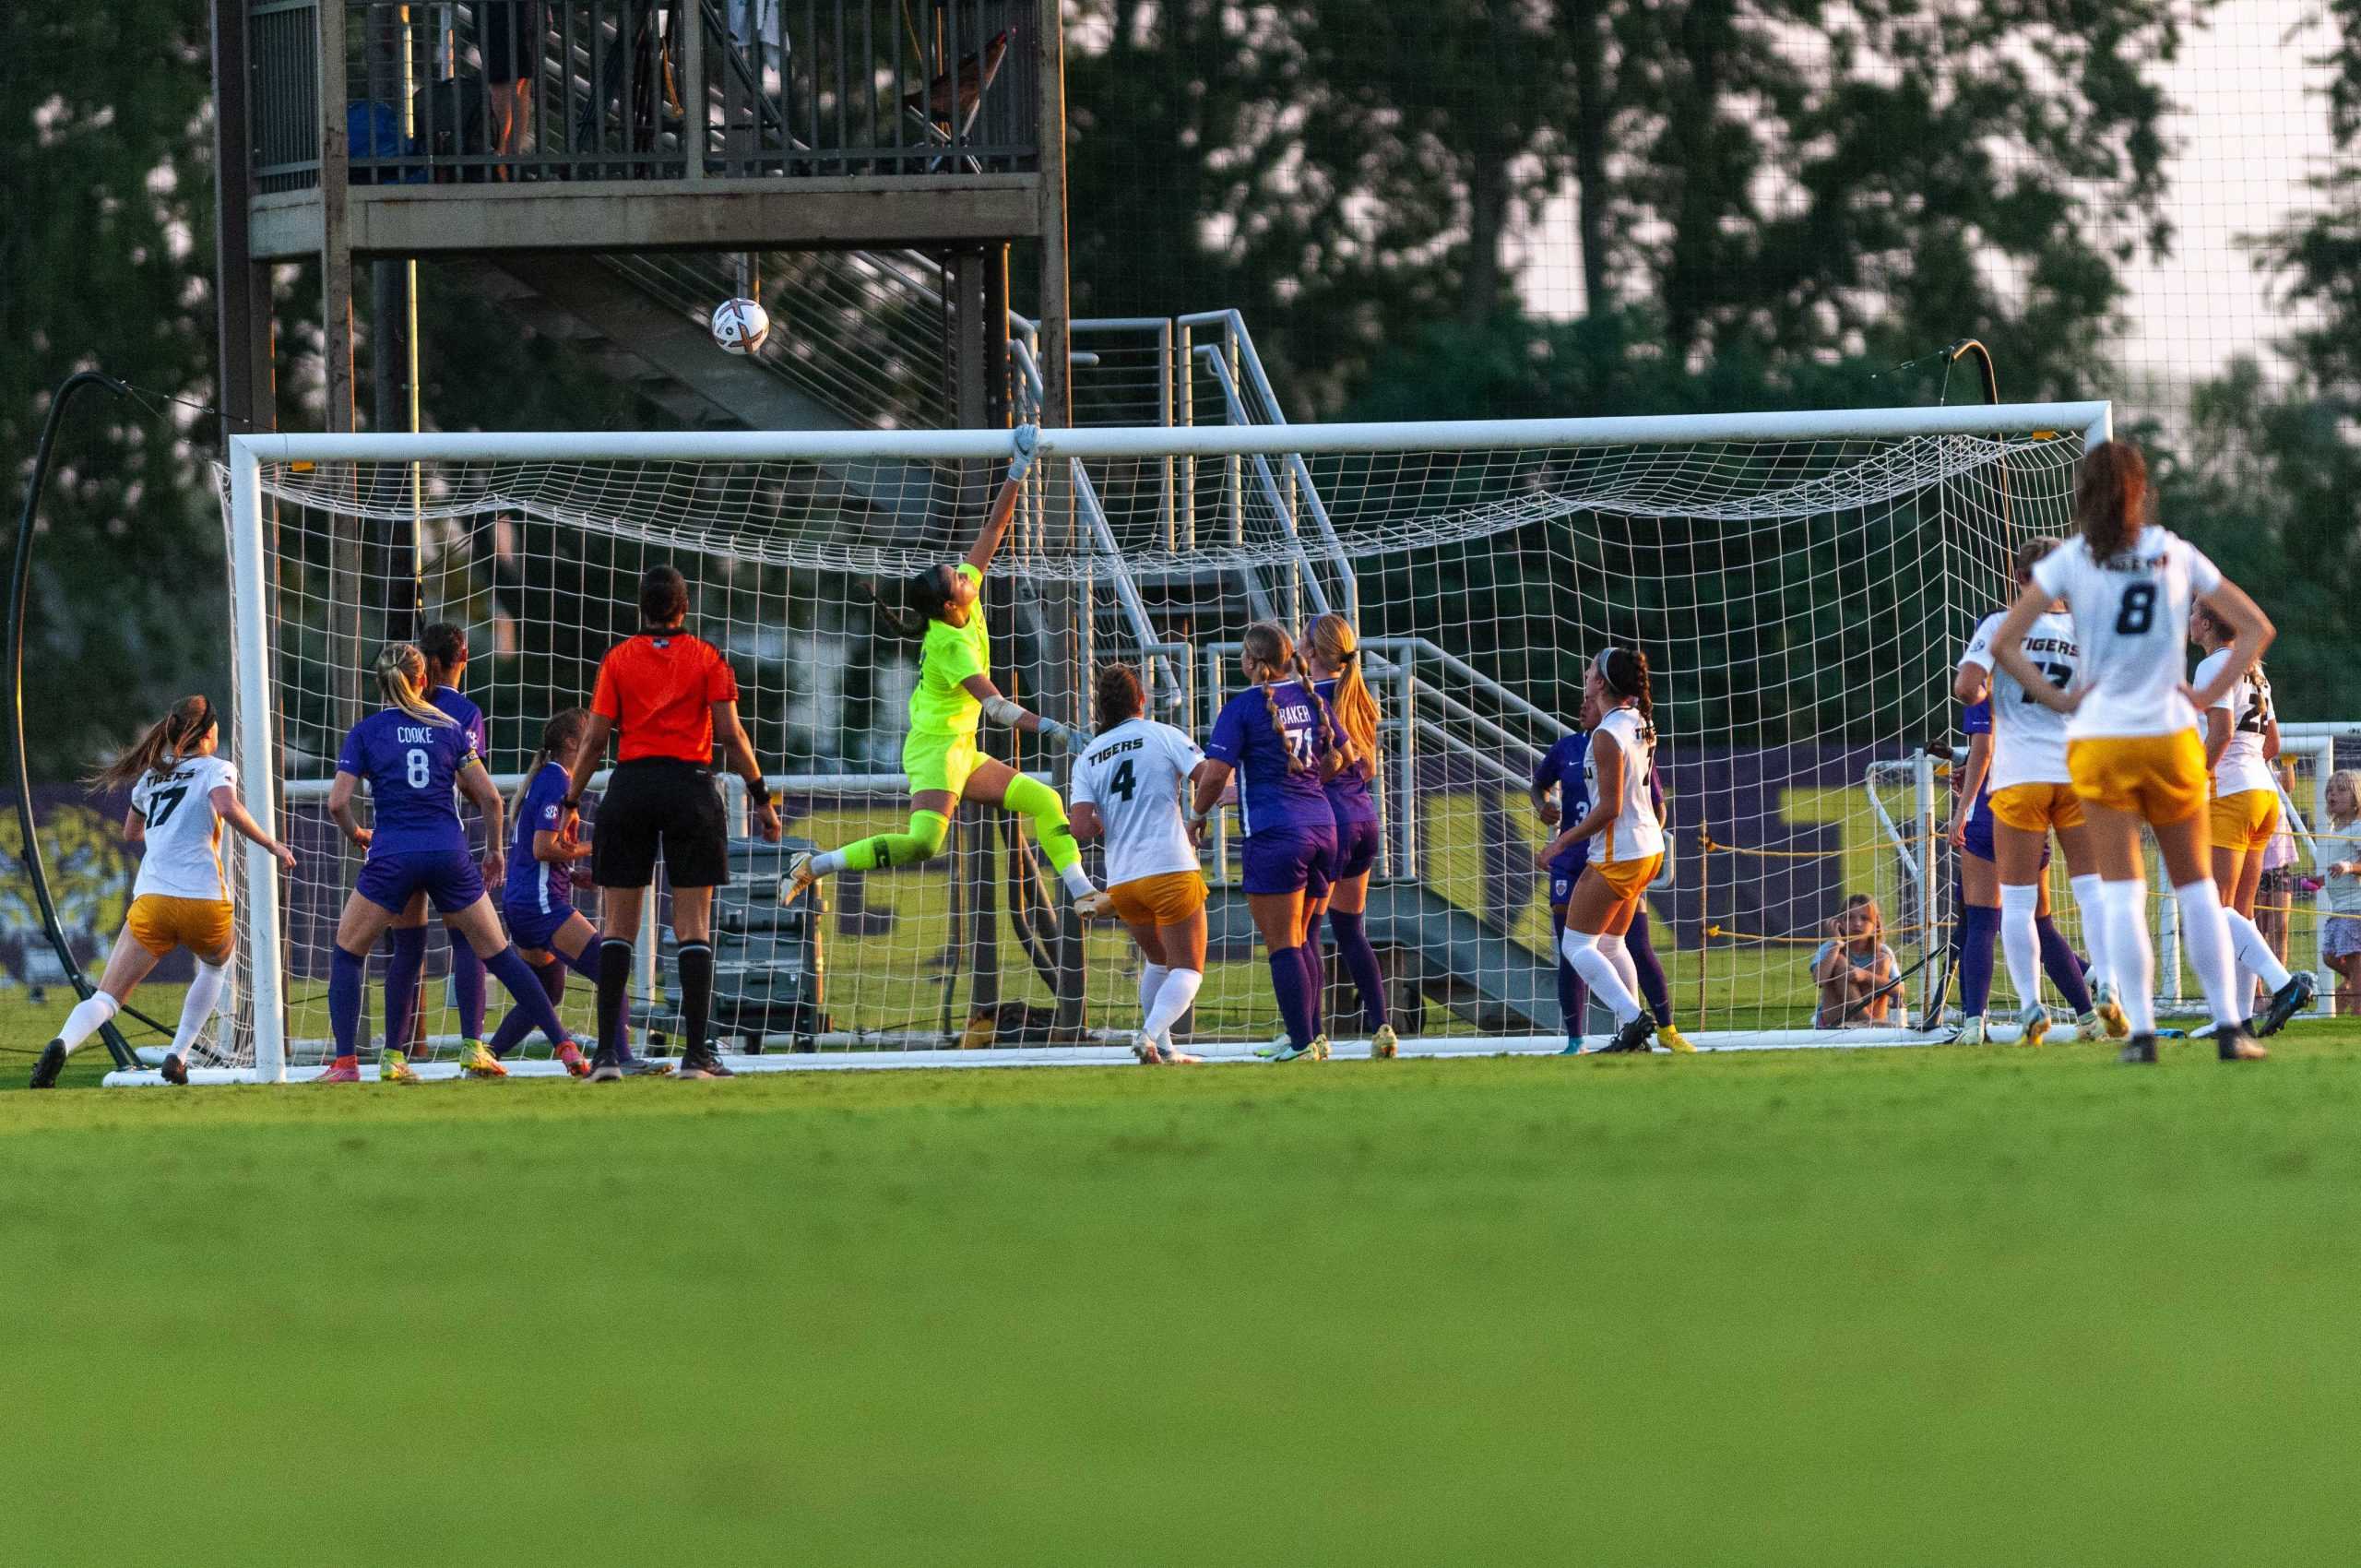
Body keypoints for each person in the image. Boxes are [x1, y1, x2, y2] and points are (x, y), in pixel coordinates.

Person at [1991, 439, 2275, 1063]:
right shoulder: (2174, 552)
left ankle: (2141, 1033)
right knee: (2199, 888)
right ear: (2140, 492)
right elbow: (2256, 628)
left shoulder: (2068, 561)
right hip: (2169, 736)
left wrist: (2056, 698)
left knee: (2121, 892)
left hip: (2101, 739)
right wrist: (2206, 700)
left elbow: (2007, 642)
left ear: (2082, 496)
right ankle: (2230, 1026)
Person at [786, 427, 1097, 911]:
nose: (967, 573)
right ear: (952, 604)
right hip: (935, 750)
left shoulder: (961, 600)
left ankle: (1083, 894)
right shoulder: (950, 644)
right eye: (959, 578)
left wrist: (1018, 469)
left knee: (1045, 801)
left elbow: (994, 528)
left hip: (961, 749)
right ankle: (814, 865)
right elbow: (994, 705)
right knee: (924, 844)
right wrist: (1054, 728)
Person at [323, 643, 582, 1082]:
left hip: (393, 855)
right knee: (498, 954)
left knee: (351, 953)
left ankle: (352, 1062)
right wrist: (495, 851)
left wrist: (357, 835)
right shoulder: (449, 728)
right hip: (447, 853)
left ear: (380, 683)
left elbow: (337, 803)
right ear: (424, 680)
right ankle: (564, 1046)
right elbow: (489, 799)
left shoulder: (365, 733)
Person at [564, 566, 783, 1081]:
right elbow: (731, 735)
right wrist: (761, 798)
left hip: (632, 787)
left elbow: (595, 740)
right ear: (684, 608)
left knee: (618, 925)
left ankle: (608, 1058)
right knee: (693, 926)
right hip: (690, 789)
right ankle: (697, 1057)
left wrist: (570, 800)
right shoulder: (708, 657)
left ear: (643, 607)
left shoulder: (617, 659)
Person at [30, 696, 298, 1088]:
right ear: (208, 733)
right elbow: (225, 806)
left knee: (107, 998)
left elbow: (130, 834)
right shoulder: (216, 768)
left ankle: (61, 1043)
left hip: (153, 900)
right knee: (216, 966)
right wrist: (270, 844)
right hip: (204, 900)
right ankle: (180, 1054)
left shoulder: (150, 779)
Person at [1954, 538, 2104, 1046]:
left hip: (2017, 779)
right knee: (2089, 892)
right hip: (2077, 774)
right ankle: (2104, 988)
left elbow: (1968, 688)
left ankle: (2028, 1007)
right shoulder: (2087, 629)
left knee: (2005, 910)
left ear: (2016, 576)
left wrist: (1984, 694)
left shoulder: (2001, 627)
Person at [482, 708, 666, 1076]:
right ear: (571, 743)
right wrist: (594, 846)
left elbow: (544, 854)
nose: (599, 739)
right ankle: (620, 1056)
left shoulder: (549, 779)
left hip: (525, 902)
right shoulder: (556, 782)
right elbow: (542, 848)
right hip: (541, 906)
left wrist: (572, 871)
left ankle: (486, 1055)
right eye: (589, 733)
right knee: (610, 966)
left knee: (545, 993)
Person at [1192, 623, 1345, 1063]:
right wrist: (1309, 784)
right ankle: (1311, 1036)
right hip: (1324, 827)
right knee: (1303, 938)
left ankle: (1300, 1044)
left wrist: (1197, 817)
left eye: (1243, 653)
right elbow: (1345, 756)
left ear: (1255, 663)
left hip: (1277, 834)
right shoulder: (1311, 696)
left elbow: (1216, 773)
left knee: (1283, 944)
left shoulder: (1242, 707)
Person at [1537, 647, 1687, 1054]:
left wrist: (1560, 844)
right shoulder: (1638, 719)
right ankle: (1633, 1031)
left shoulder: (1606, 734)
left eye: (1588, 671)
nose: (1584, 677)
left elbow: (1610, 808)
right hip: (1648, 847)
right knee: (1610, 944)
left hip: (1618, 851)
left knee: (1576, 946)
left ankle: (1635, 1019)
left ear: (1600, 683)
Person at [1069, 665, 1209, 1065]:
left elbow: (1080, 827)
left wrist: (1107, 820)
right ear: (1142, 701)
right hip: (1170, 867)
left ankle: (1163, 1047)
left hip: (1124, 881)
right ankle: (1146, 1034)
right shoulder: (1162, 734)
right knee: (1189, 969)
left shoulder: (1089, 756)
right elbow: (1207, 776)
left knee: (1159, 962)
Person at [2189, 602, 2313, 1030]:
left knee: (2212, 908)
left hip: (2232, 794)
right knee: (2239, 912)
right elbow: (2273, 743)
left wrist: (2198, 776)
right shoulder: (2254, 669)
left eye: (2192, 615)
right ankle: (2240, 1019)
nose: (2189, 622)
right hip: (2263, 795)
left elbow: (2220, 733)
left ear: (2206, 624)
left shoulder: (2212, 667)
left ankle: (2284, 985)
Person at [380, 622, 492, 1069]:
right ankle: (472, 1046)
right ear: (458, 659)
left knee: (406, 948)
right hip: (444, 842)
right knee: (469, 942)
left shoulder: (395, 706)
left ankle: (393, 1051)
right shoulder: (462, 713)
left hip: (396, 840)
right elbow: (474, 787)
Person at [1301, 612, 1398, 1057]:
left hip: (1328, 821)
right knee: (1350, 929)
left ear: (1312, 651)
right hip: (1364, 818)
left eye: (1303, 639)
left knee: (1305, 931)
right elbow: (1371, 766)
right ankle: (1381, 1028)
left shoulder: (1305, 700)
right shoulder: (1358, 696)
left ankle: (1311, 1035)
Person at [2313, 770, 2361, 1016]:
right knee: (2330, 956)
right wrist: (2321, 880)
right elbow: (2338, 870)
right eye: (2330, 789)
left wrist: (2350, 867)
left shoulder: (2358, 827)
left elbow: (2354, 865)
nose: (2333, 793)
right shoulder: (2334, 831)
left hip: (2356, 907)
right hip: (2339, 907)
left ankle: (2358, 1012)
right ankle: (2355, 981)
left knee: (2354, 960)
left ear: (2356, 799)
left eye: (2341, 790)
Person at [1811, 894, 1899, 1028]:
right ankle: (1865, 1019)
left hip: (1875, 1016)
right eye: (1849, 918)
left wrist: (1866, 976)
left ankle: (1865, 1020)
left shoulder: (1884, 951)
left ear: (1876, 924)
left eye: (1864, 918)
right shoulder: (1830, 947)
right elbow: (1819, 979)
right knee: (1839, 961)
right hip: (1836, 1020)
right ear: (1839, 922)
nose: (1857, 923)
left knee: (1882, 960)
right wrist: (1836, 945)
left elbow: (1899, 991)